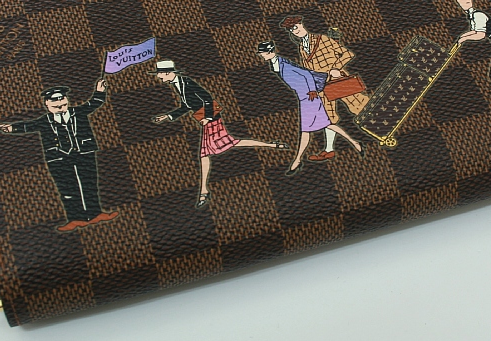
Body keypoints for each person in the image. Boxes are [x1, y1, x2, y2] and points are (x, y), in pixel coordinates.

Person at [149, 60, 289, 208]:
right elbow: (187, 105)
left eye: (160, 74)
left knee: (205, 154)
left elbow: (207, 98)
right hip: (206, 119)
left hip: (211, 119)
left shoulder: (187, 82)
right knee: (229, 143)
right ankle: (272, 145)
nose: (159, 77)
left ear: (168, 73)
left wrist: (208, 117)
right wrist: (168, 116)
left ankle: (204, 191)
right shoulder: (178, 84)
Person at [0, 80, 119, 232]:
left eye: (61, 98)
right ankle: (76, 218)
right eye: (54, 100)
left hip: (84, 152)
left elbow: (93, 103)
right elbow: (28, 125)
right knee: (67, 189)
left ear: (66, 99)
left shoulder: (78, 112)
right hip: (58, 158)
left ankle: (95, 214)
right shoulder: (45, 121)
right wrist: (11, 128)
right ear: (47, 104)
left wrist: (99, 91)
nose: (59, 103)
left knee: (89, 184)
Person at [256, 41, 364, 176]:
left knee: (307, 130)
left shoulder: (283, 64)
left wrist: (312, 90)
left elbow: (306, 75)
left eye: (262, 53)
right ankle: (355, 143)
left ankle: (297, 160)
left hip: (309, 98)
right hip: (305, 97)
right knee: (325, 125)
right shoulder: (277, 63)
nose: (261, 56)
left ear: (269, 52)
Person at [280, 16, 370, 162]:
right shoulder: (302, 48)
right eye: (291, 30)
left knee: (358, 105)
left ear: (301, 24)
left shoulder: (322, 39)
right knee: (328, 117)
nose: (295, 31)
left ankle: (381, 122)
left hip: (338, 80)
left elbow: (347, 54)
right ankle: (329, 150)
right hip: (322, 86)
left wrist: (336, 68)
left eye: (296, 27)